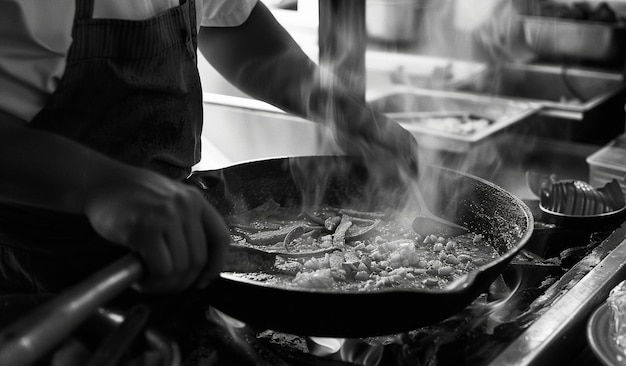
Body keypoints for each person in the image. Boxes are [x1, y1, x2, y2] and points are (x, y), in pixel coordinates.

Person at [0, 0, 417, 295]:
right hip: (35, 279)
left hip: (177, 251)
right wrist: (100, 185)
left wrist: (345, 111)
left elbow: (234, 26)